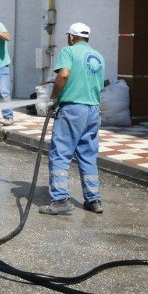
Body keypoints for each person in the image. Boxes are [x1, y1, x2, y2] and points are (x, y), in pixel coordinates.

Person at [39, 22, 105, 215]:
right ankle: (93, 200)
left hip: (73, 109)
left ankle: (60, 200)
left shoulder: (69, 51)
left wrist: (54, 98)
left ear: (71, 37)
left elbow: (64, 74)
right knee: (88, 156)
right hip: (93, 110)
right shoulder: (98, 57)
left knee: (60, 153)